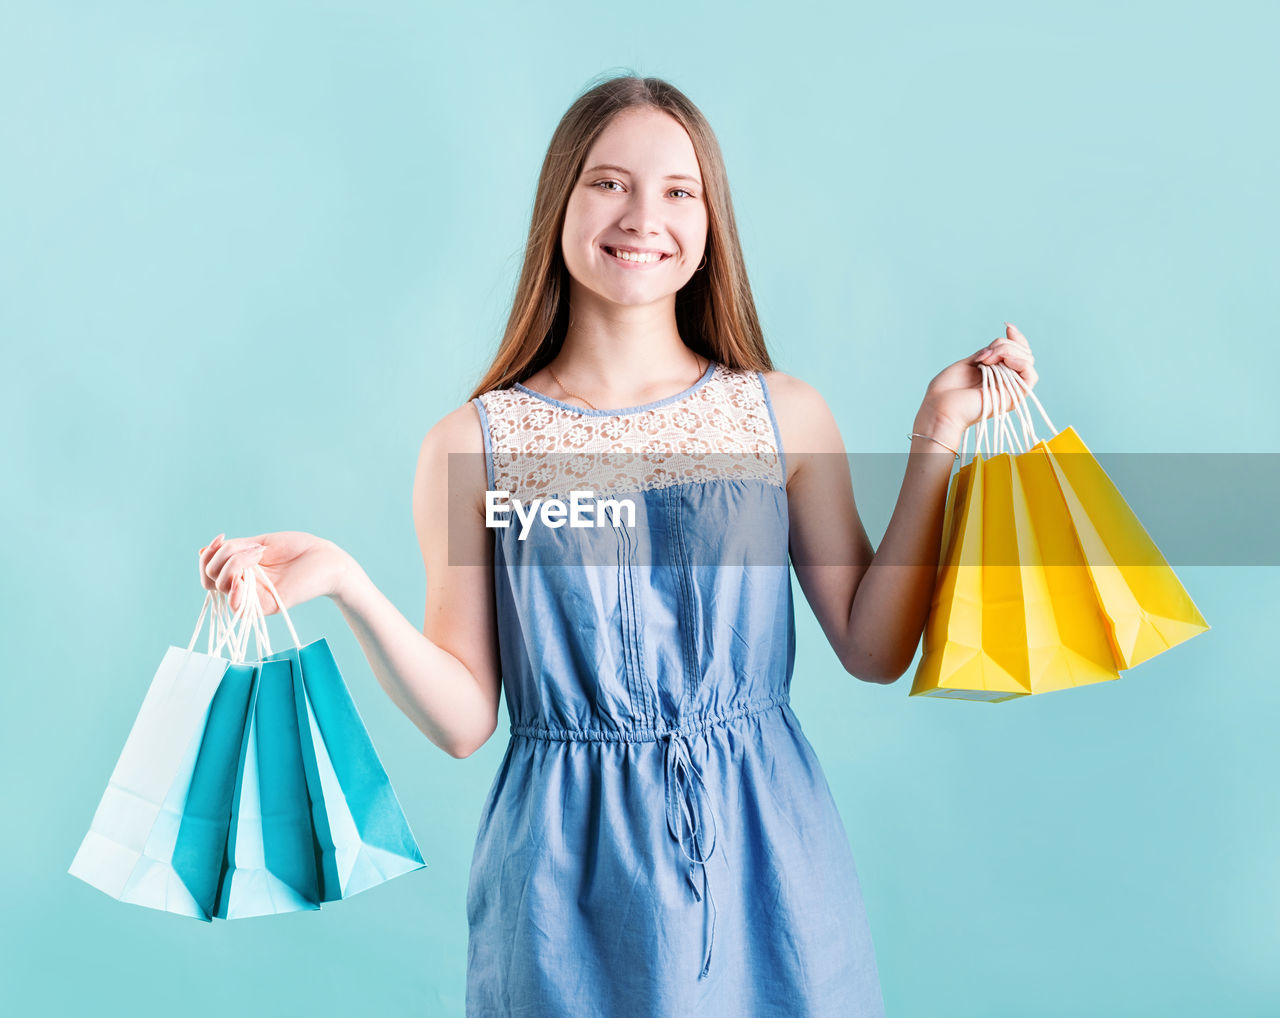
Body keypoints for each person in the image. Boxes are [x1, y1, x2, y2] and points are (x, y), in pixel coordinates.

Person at [197, 73, 1036, 1017]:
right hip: (563, 889)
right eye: (609, 182)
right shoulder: (473, 446)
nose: (645, 215)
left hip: (771, 865)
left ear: (711, 219)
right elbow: (469, 719)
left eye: (680, 190)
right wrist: (350, 584)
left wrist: (937, 437)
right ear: (560, 202)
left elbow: (876, 649)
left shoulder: (782, 415)